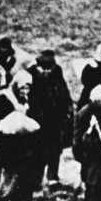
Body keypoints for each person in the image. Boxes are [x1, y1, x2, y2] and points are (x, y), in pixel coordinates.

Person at [27, 50, 74, 188]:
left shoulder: (57, 72)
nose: (47, 71)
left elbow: (64, 92)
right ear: (38, 66)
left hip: (55, 119)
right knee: (38, 150)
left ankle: (53, 178)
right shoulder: (31, 75)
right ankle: (36, 179)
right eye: (44, 68)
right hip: (37, 119)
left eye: (49, 68)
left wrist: (67, 110)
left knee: (55, 149)